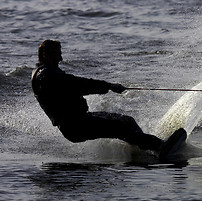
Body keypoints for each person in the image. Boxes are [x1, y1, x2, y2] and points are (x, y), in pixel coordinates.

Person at [31, 39, 164, 151]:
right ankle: (159, 146)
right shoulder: (46, 75)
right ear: (45, 54)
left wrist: (108, 86)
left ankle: (145, 147)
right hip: (75, 126)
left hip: (81, 119)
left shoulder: (48, 72)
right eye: (57, 55)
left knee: (127, 120)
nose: (61, 58)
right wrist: (109, 86)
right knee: (120, 126)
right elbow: (79, 84)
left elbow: (74, 84)